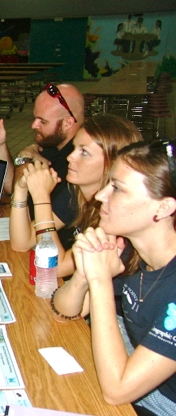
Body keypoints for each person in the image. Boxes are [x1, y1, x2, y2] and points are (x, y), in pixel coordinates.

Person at [52, 140, 176, 416]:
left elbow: (117, 391)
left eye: (117, 189)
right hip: (134, 385)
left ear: (164, 207)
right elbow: (64, 312)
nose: (100, 196)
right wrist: (84, 275)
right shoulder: (132, 246)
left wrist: (100, 282)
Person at [9, 115, 142, 277]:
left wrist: (41, 198)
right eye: (75, 148)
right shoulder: (76, 193)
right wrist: (21, 190)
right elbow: (22, 243)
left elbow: (53, 268)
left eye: (84, 152)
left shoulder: (114, 215)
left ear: (113, 163)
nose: (70, 157)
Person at [0, 83, 84, 250]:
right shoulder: (52, 145)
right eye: (35, 117)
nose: (33, 125)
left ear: (68, 123)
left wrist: (24, 160)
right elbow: (15, 188)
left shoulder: (77, 169)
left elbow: (26, 241)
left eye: (42, 121)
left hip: (47, 250)